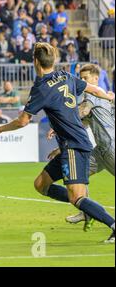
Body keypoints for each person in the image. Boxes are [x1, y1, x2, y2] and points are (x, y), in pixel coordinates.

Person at [0, 42, 115, 244]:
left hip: (74, 146)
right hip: (68, 146)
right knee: (41, 184)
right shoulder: (66, 76)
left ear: (35, 62)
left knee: (77, 198)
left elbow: (23, 121)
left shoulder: (41, 87)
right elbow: (93, 89)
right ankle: (87, 208)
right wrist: (108, 96)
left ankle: (109, 222)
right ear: (52, 60)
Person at [47, 64, 115, 230]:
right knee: (77, 176)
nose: (82, 81)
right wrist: (61, 146)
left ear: (96, 79)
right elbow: (81, 125)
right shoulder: (103, 96)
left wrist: (59, 121)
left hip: (111, 147)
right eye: (80, 78)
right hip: (100, 151)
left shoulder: (94, 95)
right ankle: (87, 211)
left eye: (85, 78)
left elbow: (82, 112)